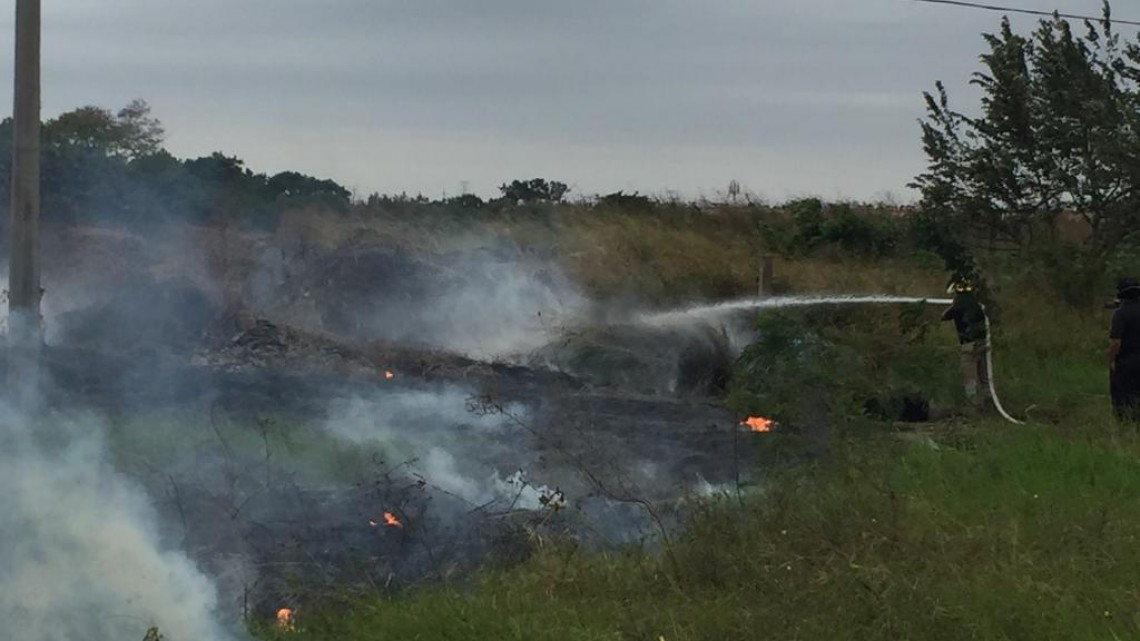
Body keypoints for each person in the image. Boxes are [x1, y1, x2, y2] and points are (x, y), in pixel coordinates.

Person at [941, 278, 991, 408]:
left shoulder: (957, 307)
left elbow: (944, 317)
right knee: (985, 376)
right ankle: (989, 401)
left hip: (968, 346)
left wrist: (954, 305)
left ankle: (973, 404)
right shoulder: (980, 306)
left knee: (969, 377)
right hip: (984, 343)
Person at [1110, 277, 1140, 422]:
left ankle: (1123, 423)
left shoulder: (1120, 313)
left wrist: (1112, 360)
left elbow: (1115, 342)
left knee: (1121, 395)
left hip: (1126, 360)